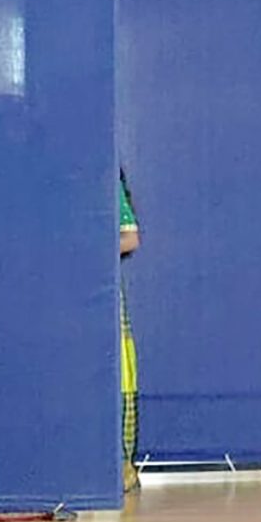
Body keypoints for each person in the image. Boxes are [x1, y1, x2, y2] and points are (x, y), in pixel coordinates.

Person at [118, 170, 141, 492]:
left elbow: (130, 238)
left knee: (120, 375)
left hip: (98, 294)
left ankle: (122, 464)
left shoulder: (105, 182)